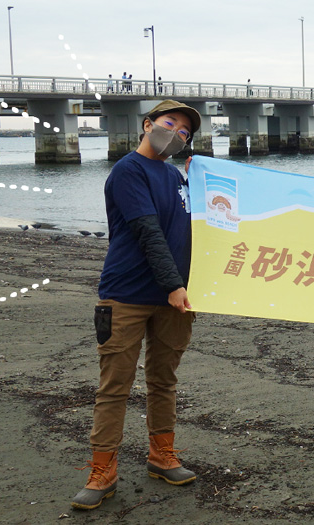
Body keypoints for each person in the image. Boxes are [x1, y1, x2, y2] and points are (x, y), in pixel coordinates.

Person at [71, 100, 202, 510]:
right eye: (170, 124)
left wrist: (205, 180)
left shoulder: (177, 175)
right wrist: (173, 285)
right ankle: (102, 471)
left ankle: (162, 456)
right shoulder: (128, 170)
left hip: (175, 299)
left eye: (185, 131)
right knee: (115, 387)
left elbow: (202, 228)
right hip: (127, 295)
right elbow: (148, 232)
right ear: (147, 125)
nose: (176, 133)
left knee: (164, 381)